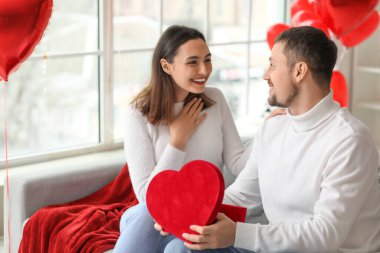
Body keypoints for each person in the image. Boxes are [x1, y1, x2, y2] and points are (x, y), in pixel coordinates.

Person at [159, 26, 380, 253]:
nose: (266, 74)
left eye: (273, 65)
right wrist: (183, 211)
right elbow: (243, 196)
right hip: (277, 248)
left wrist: (236, 234)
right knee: (179, 247)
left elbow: (325, 236)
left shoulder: (350, 140)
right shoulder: (273, 128)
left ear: (300, 71)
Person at [113, 25, 283, 253]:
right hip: (156, 216)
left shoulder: (215, 99)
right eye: (193, 62)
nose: (204, 70)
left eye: (207, 60)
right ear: (166, 66)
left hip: (201, 215)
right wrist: (178, 142)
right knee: (145, 214)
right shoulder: (139, 113)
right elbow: (147, 196)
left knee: (178, 248)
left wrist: (266, 132)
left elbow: (238, 162)